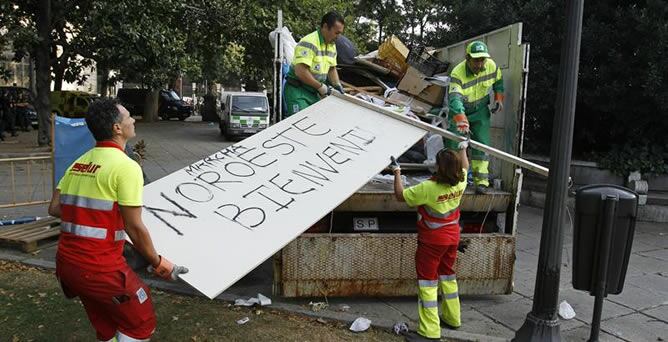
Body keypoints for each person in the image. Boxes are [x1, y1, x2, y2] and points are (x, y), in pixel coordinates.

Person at [48, 98, 188, 341]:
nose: (133, 119)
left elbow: (55, 208)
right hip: (100, 267)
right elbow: (134, 227)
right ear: (117, 128)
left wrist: (96, 216)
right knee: (140, 322)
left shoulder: (78, 163)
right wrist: (159, 263)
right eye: (128, 117)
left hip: (68, 265)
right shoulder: (126, 167)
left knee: (107, 326)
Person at [391, 139, 470, 342]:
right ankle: (453, 318)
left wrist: (397, 171)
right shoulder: (461, 182)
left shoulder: (428, 188)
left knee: (427, 283)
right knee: (448, 277)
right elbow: (466, 166)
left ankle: (430, 331)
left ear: (438, 167)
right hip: (452, 239)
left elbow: (400, 195)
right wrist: (463, 149)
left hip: (431, 243)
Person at [447, 41, 504, 194]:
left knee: (481, 146)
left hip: (480, 112)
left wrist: (499, 98)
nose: (480, 64)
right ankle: (454, 179)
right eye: (476, 60)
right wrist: (461, 118)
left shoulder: (491, 66)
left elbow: (498, 81)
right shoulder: (457, 73)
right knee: (455, 145)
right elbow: (454, 98)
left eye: (482, 59)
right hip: (461, 110)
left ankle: (481, 182)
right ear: (467, 58)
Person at [283, 11, 345, 118]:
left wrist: (337, 85)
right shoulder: (309, 42)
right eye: (336, 33)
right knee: (300, 123)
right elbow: (300, 71)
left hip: (313, 92)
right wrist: (321, 87)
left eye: (340, 33)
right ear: (325, 27)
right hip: (298, 91)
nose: (338, 36)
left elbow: (331, 68)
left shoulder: (331, 45)